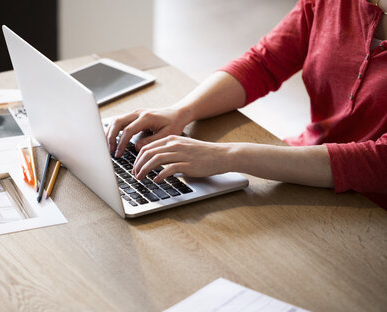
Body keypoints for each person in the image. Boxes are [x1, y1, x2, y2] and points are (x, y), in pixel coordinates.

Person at [107, 0, 387, 209]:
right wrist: (181, 112)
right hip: (301, 169)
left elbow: (378, 161)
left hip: (369, 208)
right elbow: (264, 63)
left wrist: (228, 156)